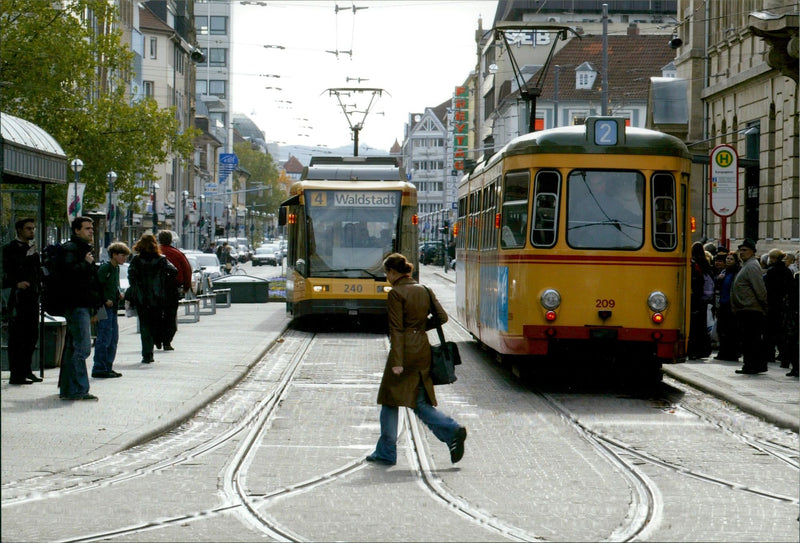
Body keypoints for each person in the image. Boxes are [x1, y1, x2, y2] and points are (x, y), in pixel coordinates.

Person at [366, 253, 467, 466]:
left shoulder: (396, 293)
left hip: (405, 352)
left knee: (390, 400)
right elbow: (442, 318)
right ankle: (450, 431)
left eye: (387, 273)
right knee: (419, 400)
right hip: (423, 348)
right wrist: (419, 328)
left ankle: (387, 451)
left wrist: (397, 362)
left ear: (393, 272)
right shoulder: (425, 290)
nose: (387, 277)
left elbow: (396, 329)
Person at [59, 217, 102, 400]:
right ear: (76, 230)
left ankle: (69, 388)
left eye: (92, 228)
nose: (91, 231)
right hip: (76, 304)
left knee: (73, 347)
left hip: (83, 304)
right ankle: (78, 388)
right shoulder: (71, 249)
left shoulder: (84, 250)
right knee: (82, 348)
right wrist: (85, 263)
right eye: (87, 228)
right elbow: (68, 276)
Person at [2, 218, 43, 385]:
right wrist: (15, 284)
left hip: (32, 297)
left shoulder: (32, 250)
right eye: (28, 229)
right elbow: (7, 272)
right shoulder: (8, 249)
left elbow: (36, 271)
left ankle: (27, 369)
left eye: (33, 229)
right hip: (17, 298)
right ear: (19, 230)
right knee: (18, 337)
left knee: (31, 335)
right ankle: (16, 373)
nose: (31, 232)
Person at [127, 234, 176, 364]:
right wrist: (164, 282)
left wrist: (136, 288)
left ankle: (147, 354)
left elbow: (131, 276)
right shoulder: (161, 259)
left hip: (141, 297)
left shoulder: (136, 260)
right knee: (156, 322)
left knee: (144, 325)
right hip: (157, 296)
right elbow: (174, 271)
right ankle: (156, 341)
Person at [91, 242, 130, 378]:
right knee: (104, 336)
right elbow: (97, 286)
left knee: (113, 337)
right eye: (122, 255)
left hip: (112, 307)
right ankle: (99, 367)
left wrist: (118, 293)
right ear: (114, 255)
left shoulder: (116, 269)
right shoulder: (106, 268)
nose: (124, 258)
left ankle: (108, 366)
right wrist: (104, 300)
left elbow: (115, 284)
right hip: (103, 307)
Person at [731, 238, 768, 375]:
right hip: (746, 309)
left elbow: (759, 288)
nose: (742, 253)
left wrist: (764, 305)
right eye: (740, 250)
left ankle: (752, 365)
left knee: (751, 340)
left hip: (751, 309)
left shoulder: (752, 266)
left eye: (745, 250)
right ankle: (752, 364)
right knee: (749, 339)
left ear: (752, 252)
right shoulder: (747, 265)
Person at [157, 231, 192, 351]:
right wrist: (187, 286)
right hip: (172, 288)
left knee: (156, 314)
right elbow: (187, 269)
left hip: (155, 289)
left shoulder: (154, 252)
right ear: (171, 240)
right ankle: (167, 341)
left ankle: (157, 338)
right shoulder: (177, 254)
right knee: (170, 315)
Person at [763, 249, 793, 366]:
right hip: (783, 305)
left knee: (769, 331)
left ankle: (769, 354)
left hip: (772, 304)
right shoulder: (787, 271)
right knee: (782, 332)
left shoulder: (771, 271)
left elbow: (767, 289)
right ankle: (784, 356)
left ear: (773, 258)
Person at [687, 241, 714, 359]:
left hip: (695, 298)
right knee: (702, 325)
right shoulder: (706, 264)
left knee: (694, 326)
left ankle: (694, 350)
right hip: (704, 299)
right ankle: (703, 349)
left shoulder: (693, 264)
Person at [714, 252, 741, 361]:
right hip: (723, 303)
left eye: (731, 259)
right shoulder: (724, 272)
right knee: (722, 329)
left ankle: (732, 353)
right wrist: (719, 279)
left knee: (731, 330)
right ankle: (723, 351)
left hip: (732, 304)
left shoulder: (736, 272)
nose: (729, 261)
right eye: (727, 259)